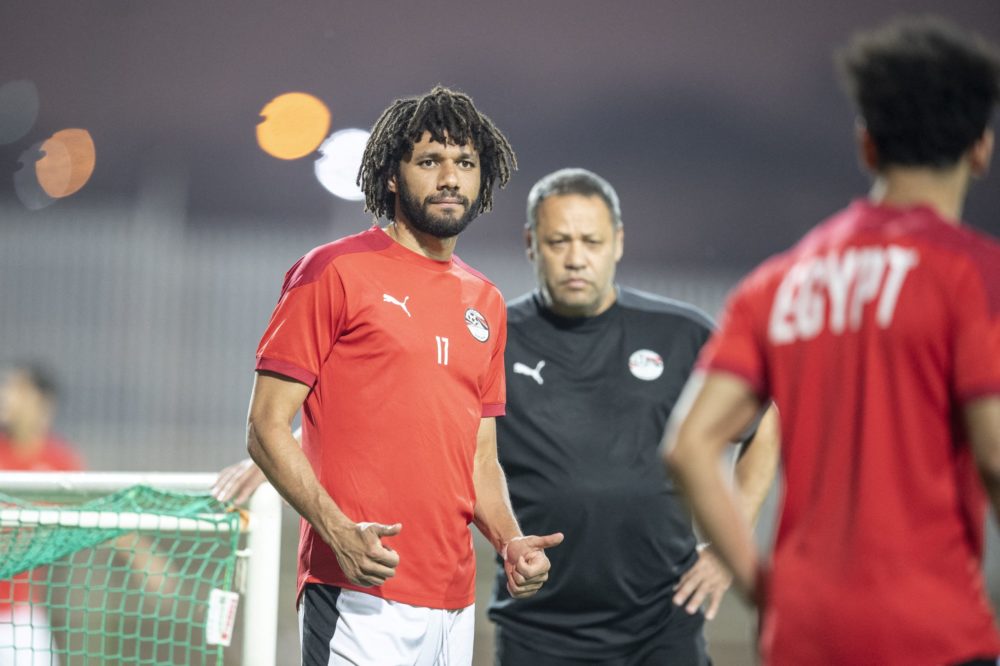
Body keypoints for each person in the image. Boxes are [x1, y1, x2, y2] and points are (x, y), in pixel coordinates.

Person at [664, 16, 1000, 666]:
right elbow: (994, 453)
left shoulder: (779, 283)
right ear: (981, 147)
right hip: (932, 633)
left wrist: (764, 586)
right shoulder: (973, 275)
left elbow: (688, 444)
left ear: (867, 144)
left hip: (805, 634)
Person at [241, 86, 562, 666]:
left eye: (465, 163)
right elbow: (265, 426)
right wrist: (336, 531)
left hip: (452, 601)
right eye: (429, 160)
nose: (449, 177)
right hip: (360, 591)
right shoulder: (332, 271)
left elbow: (479, 459)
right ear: (392, 175)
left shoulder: (484, 300)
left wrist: (509, 540)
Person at [486, 168, 779, 666]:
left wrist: (729, 546)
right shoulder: (494, 339)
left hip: (661, 627)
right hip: (536, 627)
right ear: (531, 243)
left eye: (591, 241)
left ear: (618, 243)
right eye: (558, 241)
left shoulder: (682, 335)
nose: (576, 258)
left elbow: (763, 425)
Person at [0, 362, 83, 666]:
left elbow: (100, 513)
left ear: (42, 404)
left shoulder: (58, 459)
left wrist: (149, 562)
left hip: (19, 614)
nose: (6, 396)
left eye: (17, 389)